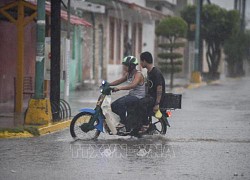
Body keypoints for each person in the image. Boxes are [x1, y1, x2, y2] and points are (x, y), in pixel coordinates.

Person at [109, 56, 145, 132]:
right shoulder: (129, 74)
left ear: (131, 66)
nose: (124, 67)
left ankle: (125, 124)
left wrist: (119, 88)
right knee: (113, 106)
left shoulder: (138, 74)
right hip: (131, 96)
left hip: (138, 97)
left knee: (121, 103)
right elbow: (119, 80)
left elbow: (133, 85)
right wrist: (108, 84)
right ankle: (128, 121)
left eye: (126, 65)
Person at [139, 51, 166, 132]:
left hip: (154, 99)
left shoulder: (156, 73)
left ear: (144, 61)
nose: (140, 63)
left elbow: (159, 88)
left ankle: (145, 124)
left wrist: (157, 104)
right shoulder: (149, 72)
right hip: (150, 97)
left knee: (140, 104)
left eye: (141, 61)